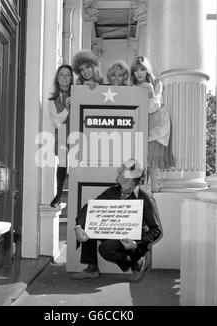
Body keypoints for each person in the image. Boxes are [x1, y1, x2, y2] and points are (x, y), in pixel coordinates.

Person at [71, 159, 162, 282]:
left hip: (133, 240)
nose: (118, 170)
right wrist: (78, 227)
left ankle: (138, 261)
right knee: (88, 223)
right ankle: (92, 269)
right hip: (113, 232)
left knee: (105, 248)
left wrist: (137, 244)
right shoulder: (112, 191)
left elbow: (156, 230)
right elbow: (89, 208)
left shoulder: (145, 199)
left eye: (123, 168)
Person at [130, 56, 175, 192]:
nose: (139, 73)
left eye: (142, 69)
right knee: (143, 157)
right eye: (136, 70)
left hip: (158, 124)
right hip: (141, 123)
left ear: (147, 70)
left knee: (152, 157)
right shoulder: (133, 87)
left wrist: (150, 92)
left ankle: (154, 186)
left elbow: (155, 106)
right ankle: (144, 187)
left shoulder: (156, 84)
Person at [48, 64, 74, 208]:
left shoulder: (78, 93)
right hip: (63, 132)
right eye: (61, 75)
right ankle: (58, 194)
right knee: (62, 162)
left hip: (78, 132)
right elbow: (56, 122)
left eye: (67, 75)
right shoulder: (52, 100)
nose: (64, 78)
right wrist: (67, 110)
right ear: (57, 78)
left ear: (71, 78)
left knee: (77, 162)